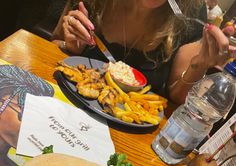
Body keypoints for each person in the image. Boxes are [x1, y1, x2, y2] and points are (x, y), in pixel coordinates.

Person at [52, 0, 236, 105]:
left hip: (128, 133)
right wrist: (70, 48)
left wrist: (200, 64)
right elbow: (54, 42)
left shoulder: (191, 11)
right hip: (63, 99)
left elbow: (176, 98)